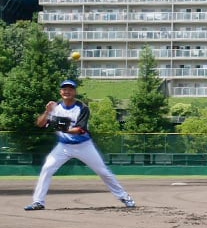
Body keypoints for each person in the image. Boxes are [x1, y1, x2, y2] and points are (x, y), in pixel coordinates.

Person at [24, 79, 136, 210]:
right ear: (61, 92)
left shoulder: (82, 108)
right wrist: (48, 112)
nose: (67, 91)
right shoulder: (56, 107)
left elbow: (80, 130)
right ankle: (38, 202)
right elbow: (40, 124)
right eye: (64, 89)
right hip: (63, 146)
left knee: (103, 172)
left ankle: (124, 197)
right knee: (47, 169)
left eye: (70, 89)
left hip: (84, 146)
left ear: (75, 92)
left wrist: (63, 129)